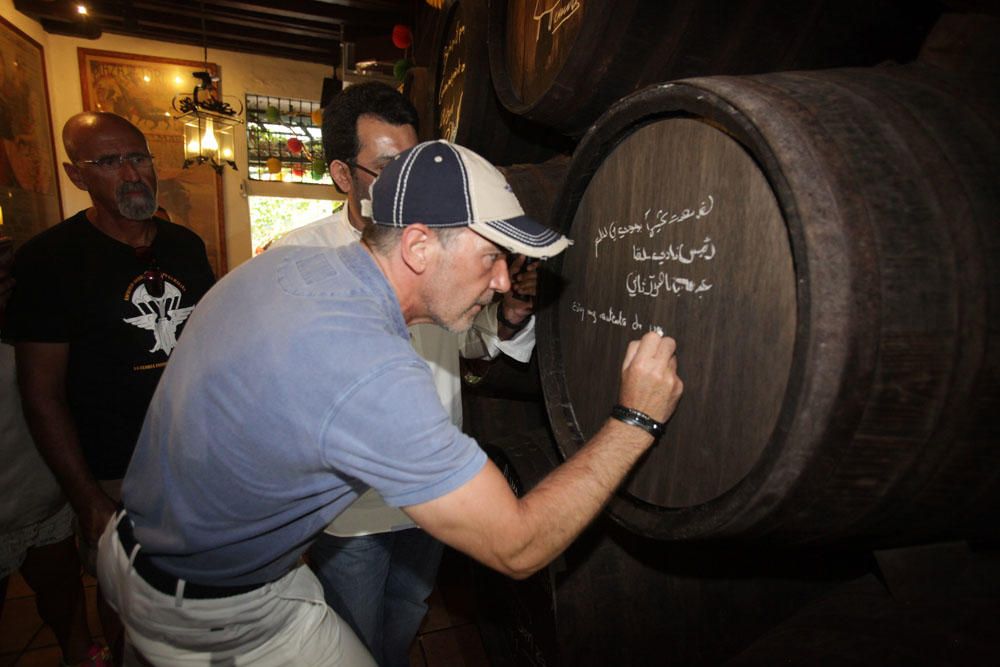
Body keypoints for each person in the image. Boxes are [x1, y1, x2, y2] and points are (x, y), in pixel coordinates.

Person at [96, 139, 682, 666]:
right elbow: (518, 545)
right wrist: (636, 418)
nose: (505, 280)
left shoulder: (291, 262)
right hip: (211, 612)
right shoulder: (368, 364)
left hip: (133, 553)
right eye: (492, 256)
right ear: (421, 246)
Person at [271, 81, 538, 666]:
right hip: (350, 512)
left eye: (415, 163)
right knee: (354, 637)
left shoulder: (442, 242)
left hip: (435, 495)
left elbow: (472, 343)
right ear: (343, 175)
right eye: (389, 167)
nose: (407, 183)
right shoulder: (297, 258)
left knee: (407, 616)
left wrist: (510, 314)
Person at [3, 112, 215, 663]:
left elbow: (209, 345)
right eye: (110, 162)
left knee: (198, 598)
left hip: (191, 460)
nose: (132, 173)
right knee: (128, 608)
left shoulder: (184, 245)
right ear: (78, 176)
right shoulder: (51, 261)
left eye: (139, 157)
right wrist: (87, 498)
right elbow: (41, 393)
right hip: (114, 471)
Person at [1, 232, 108, 666]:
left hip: (39, 484)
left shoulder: (34, 308)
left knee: (64, 597)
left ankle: (81, 654)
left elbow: (51, 395)